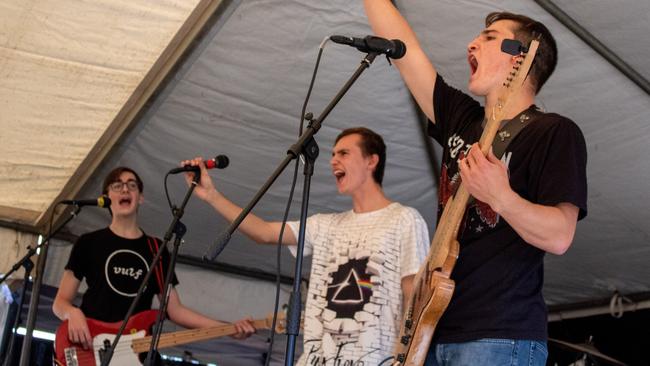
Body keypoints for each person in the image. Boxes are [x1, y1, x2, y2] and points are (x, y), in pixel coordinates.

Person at [365, 3, 588, 365]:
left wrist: (501, 197)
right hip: (433, 328)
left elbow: (560, 235)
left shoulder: (553, 132)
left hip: (500, 334)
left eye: (488, 38)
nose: (471, 45)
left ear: (521, 59)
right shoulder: (462, 120)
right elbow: (406, 50)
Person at [184, 127, 430, 365]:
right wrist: (212, 196)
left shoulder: (404, 219)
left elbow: (415, 298)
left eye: (344, 153)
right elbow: (264, 233)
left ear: (371, 161)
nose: (333, 160)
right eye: (332, 154)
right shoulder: (324, 225)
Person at [53, 167, 255, 360]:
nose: (125, 189)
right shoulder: (88, 243)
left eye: (132, 185)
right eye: (117, 185)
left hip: (134, 353)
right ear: (106, 198)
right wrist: (72, 313)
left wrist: (227, 328)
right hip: (89, 348)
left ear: (140, 198)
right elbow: (60, 303)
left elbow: (175, 310)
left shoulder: (156, 249)